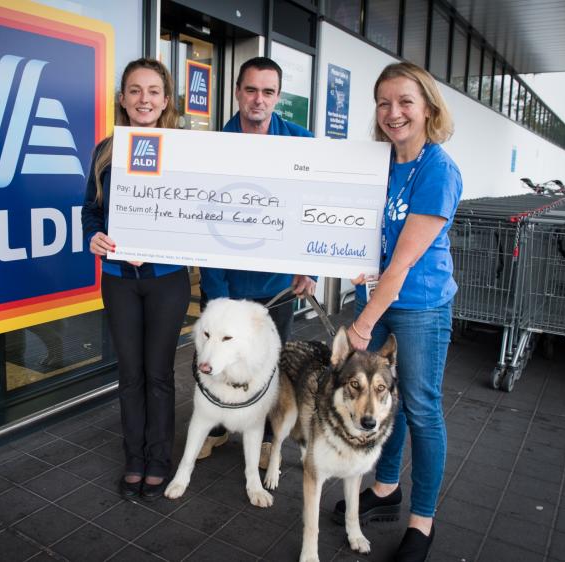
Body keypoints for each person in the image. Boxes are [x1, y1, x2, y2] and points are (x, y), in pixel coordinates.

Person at [335, 61, 462, 562]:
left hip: (420, 305)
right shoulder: (379, 161)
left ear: (428, 107)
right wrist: (352, 261)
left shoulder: (438, 171)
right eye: (384, 102)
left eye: (405, 101)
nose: (394, 112)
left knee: (421, 406)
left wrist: (363, 322)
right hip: (380, 294)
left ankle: (422, 521)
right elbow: (369, 232)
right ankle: (387, 489)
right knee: (390, 404)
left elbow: (405, 262)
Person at [197, 57, 317, 465]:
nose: (258, 99)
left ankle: (266, 437)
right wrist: (214, 292)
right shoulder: (213, 146)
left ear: (278, 97)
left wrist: (310, 267)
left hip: (277, 284)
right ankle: (215, 430)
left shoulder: (302, 143)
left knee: (268, 365)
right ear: (237, 92)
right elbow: (204, 221)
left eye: (268, 92)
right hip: (226, 281)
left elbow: (312, 208)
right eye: (251, 90)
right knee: (214, 362)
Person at [81, 58, 190, 501]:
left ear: (166, 100)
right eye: (134, 90)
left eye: (152, 91)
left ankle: (159, 458)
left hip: (167, 279)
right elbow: (90, 208)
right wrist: (93, 236)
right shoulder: (105, 150)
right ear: (122, 99)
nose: (143, 99)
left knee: (159, 373)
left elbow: (200, 210)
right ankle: (134, 457)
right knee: (130, 374)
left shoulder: (186, 150)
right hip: (119, 278)